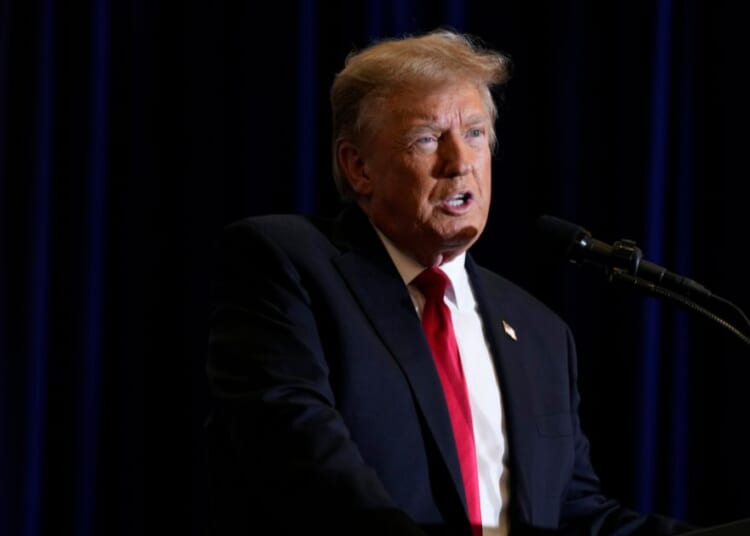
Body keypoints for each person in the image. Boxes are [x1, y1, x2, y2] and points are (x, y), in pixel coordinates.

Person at [205, 28, 695, 535]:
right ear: (358, 167)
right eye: (427, 138)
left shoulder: (541, 333)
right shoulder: (289, 266)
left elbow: (576, 515)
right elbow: (300, 455)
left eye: (476, 134)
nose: (459, 163)